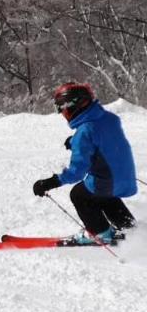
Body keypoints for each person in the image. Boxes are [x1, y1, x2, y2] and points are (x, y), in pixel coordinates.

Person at [32, 82, 137, 245]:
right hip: (125, 178)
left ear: (73, 106)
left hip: (108, 182)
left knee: (79, 194)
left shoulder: (84, 133)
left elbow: (76, 172)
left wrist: (50, 182)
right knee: (99, 191)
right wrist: (74, 141)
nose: (63, 114)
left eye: (62, 109)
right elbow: (100, 135)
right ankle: (128, 227)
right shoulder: (109, 118)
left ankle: (101, 233)